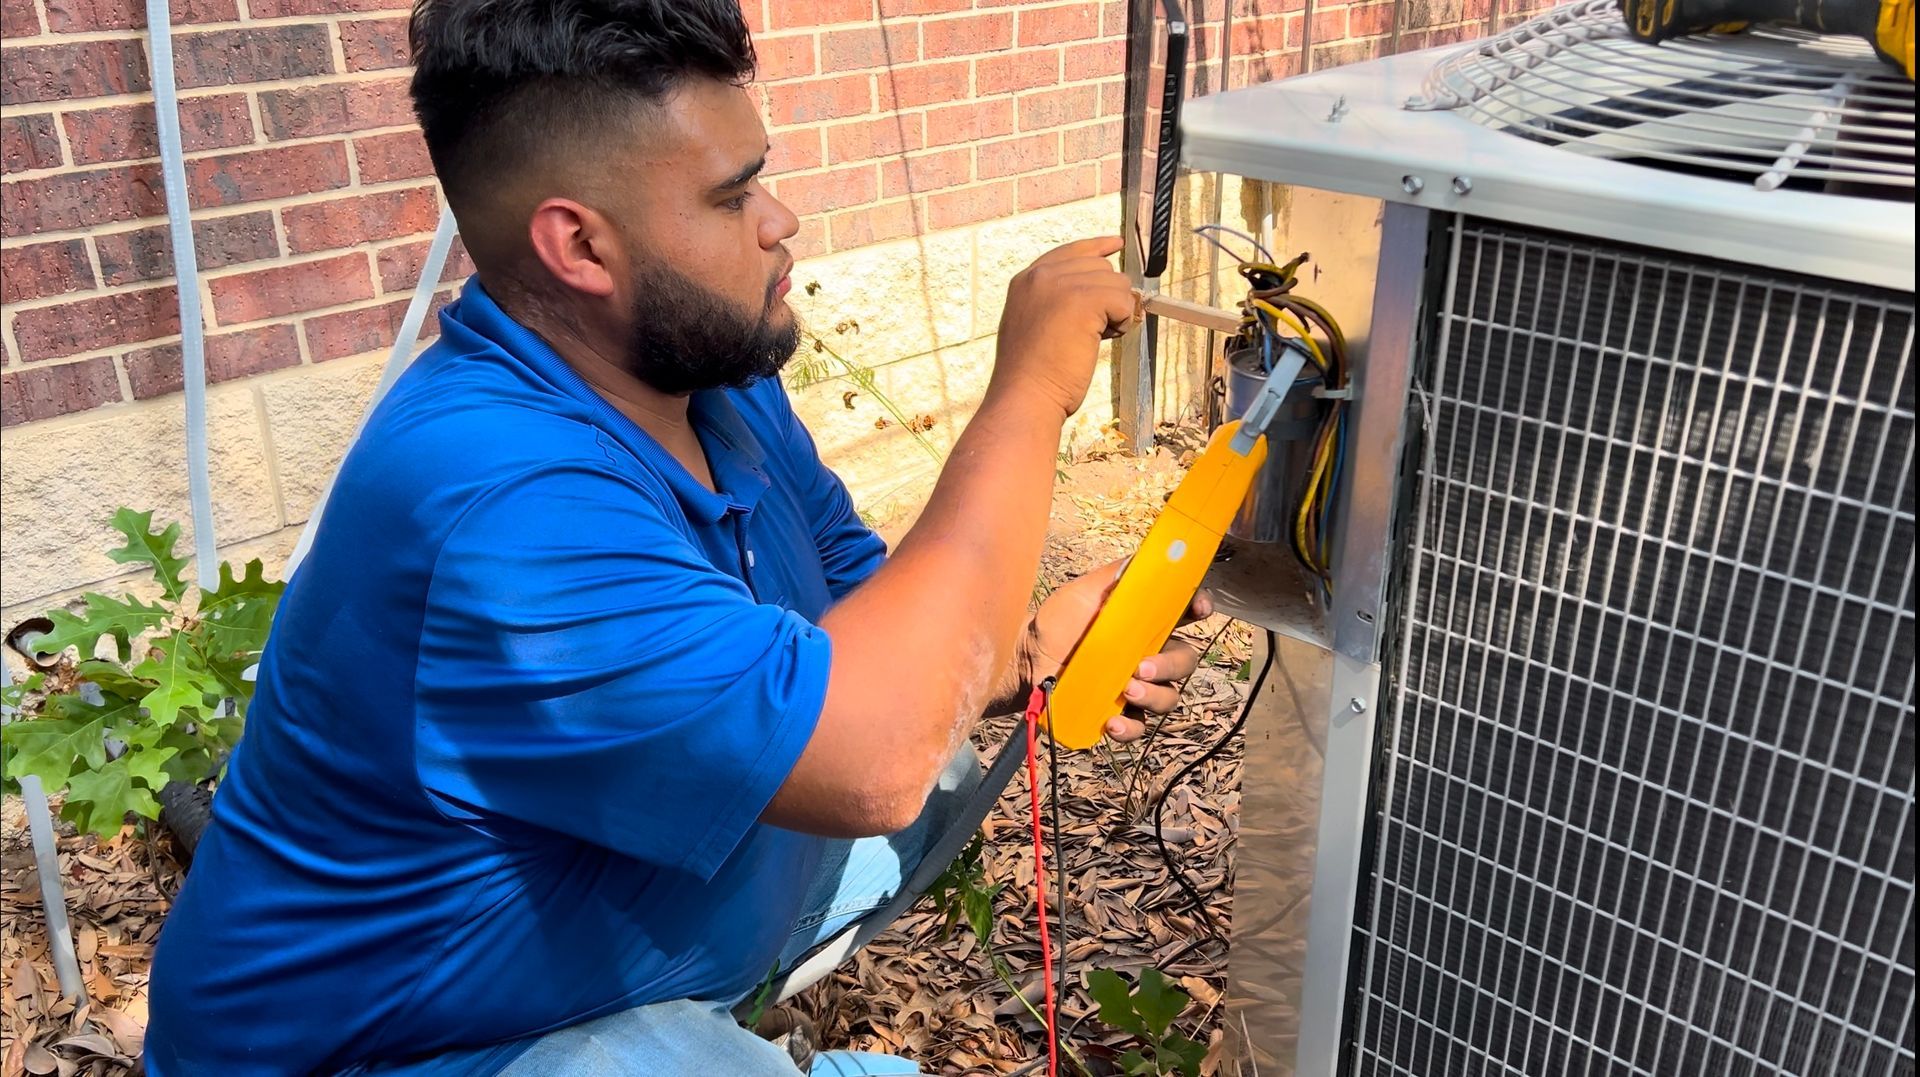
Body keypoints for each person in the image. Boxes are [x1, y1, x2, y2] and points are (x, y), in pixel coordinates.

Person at [144, 2, 1205, 1073]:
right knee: (898, 768)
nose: (780, 218)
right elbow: (872, 755)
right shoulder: (500, 505)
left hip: (554, 968)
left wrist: (1017, 650)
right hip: (416, 1047)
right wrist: (1030, 388)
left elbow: (857, 622)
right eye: (732, 194)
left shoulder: (705, 388)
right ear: (581, 245)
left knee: (923, 745)